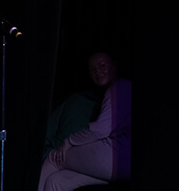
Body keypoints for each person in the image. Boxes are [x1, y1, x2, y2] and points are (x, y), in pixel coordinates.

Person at [37, 51, 131, 191]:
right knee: (57, 181)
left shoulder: (120, 86)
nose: (97, 72)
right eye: (92, 69)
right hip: (123, 165)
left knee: (54, 158)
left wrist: (69, 141)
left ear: (114, 65)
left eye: (102, 65)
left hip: (116, 157)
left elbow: (100, 130)